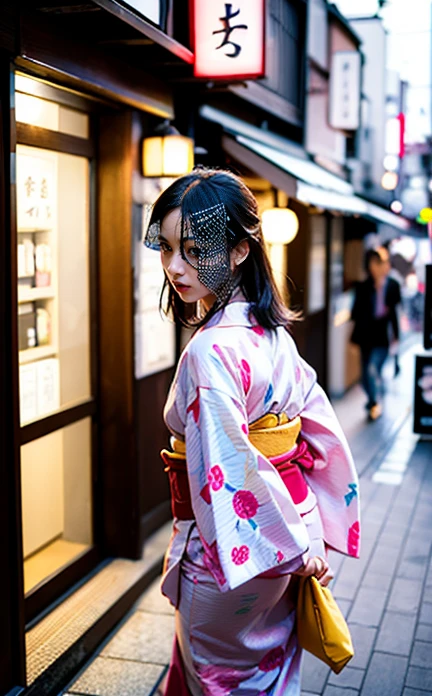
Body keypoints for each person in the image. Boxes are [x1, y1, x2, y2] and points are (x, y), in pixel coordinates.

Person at [144, 167, 360, 696]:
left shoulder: (210, 349)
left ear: (239, 250)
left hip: (239, 552)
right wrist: (310, 535)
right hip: (289, 530)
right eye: (168, 249)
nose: (175, 266)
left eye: (194, 249)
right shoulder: (271, 332)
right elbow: (320, 430)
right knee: (271, 671)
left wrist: (285, 547)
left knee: (220, 680)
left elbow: (226, 464)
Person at [351, 246, 402, 421]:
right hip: (365, 336)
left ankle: (374, 402)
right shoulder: (363, 287)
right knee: (365, 374)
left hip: (382, 336)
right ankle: (374, 397)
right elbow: (355, 313)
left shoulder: (393, 286)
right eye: (376, 263)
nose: (380, 267)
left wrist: (397, 336)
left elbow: (395, 312)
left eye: (383, 263)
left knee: (373, 369)